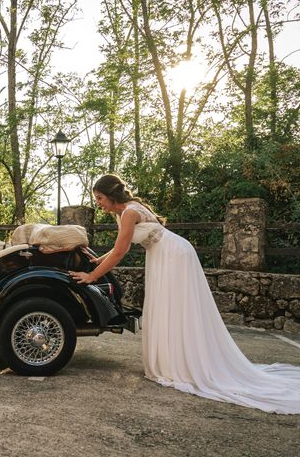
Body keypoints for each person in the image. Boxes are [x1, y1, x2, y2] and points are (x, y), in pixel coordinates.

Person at [69, 174, 300, 414]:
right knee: (170, 306)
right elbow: (119, 248)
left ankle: (184, 364)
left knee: (178, 307)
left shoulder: (129, 212)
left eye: (99, 198)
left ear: (111, 195)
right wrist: (98, 260)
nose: (98, 203)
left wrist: (92, 276)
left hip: (173, 254)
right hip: (163, 254)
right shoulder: (123, 213)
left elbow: (120, 252)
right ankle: (174, 361)